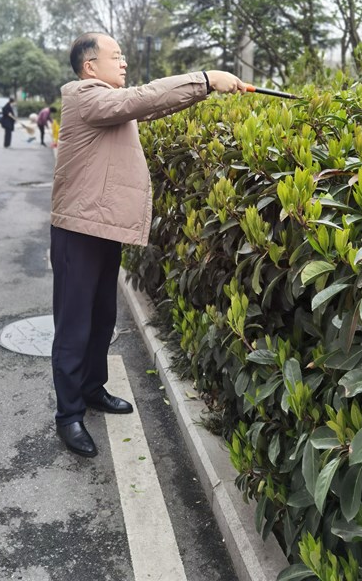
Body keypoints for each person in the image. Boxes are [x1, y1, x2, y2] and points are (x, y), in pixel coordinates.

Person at [50, 32, 247, 458]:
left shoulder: (109, 102)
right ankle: (68, 415)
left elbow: (154, 104)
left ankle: (91, 389)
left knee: (102, 317)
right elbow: (142, 98)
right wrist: (206, 78)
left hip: (102, 228)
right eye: (115, 56)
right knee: (74, 326)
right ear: (89, 66)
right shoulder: (87, 97)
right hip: (77, 231)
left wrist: (204, 91)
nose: (123, 63)